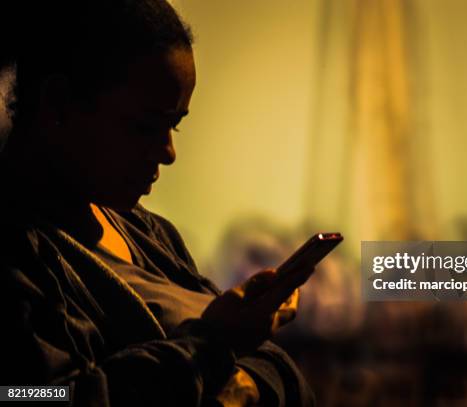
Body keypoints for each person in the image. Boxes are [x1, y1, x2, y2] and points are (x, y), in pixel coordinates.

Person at [0, 1, 315, 406]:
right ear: (59, 104)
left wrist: (241, 373)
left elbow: (274, 364)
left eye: (175, 124)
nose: (169, 152)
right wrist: (211, 347)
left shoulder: (151, 235)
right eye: (146, 126)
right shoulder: (16, 252)